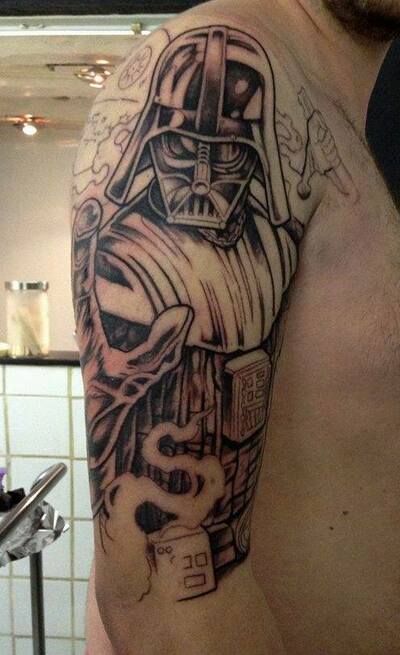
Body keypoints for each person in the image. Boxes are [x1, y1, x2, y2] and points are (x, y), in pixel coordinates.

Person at [71, 1, 400, 653]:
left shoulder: (317, 141)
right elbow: (160, 591)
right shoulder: (218, 60)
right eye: (186, 152)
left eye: (222, 157)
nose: (202, 177)